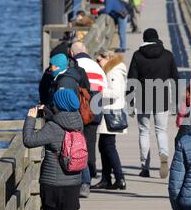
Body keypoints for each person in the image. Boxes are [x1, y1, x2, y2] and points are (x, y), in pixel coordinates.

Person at [23, 90, 85, 210]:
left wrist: (31, 119)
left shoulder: (52, 127)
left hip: (52, 182)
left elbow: (29, 140)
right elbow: (60, 119)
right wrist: (48, 112)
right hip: (73, 182)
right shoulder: (78, 122)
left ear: (59, 105)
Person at [127, 28, 179, 179]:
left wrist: (130, 102)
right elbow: (176, 79)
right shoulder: (167, 55)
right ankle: (163, 154)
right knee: (161, 131)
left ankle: (145, 167)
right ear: (157, 38)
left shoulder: (137, 56)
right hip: (161, 97)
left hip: (143, 98)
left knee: (144, 131)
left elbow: (131, 80)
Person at [70, 42, 108, 196]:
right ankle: (91, 171)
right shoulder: (97, 66)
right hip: (96, 105)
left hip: (81, 106)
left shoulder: (74, 65)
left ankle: (82, 177)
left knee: (79, 142)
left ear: (72, 53)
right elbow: (104, 88)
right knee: (91, 141)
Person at [93, 49, 128, 191]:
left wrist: (99, 90)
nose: (97, 63)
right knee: (104, 146)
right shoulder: (112, 69)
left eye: (99, 60)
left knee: (108, 147)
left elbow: (115, 93)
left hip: (111, 113)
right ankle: (107, 178)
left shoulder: (113, 72)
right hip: (109, 111)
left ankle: (119, 178)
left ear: (107, 58)